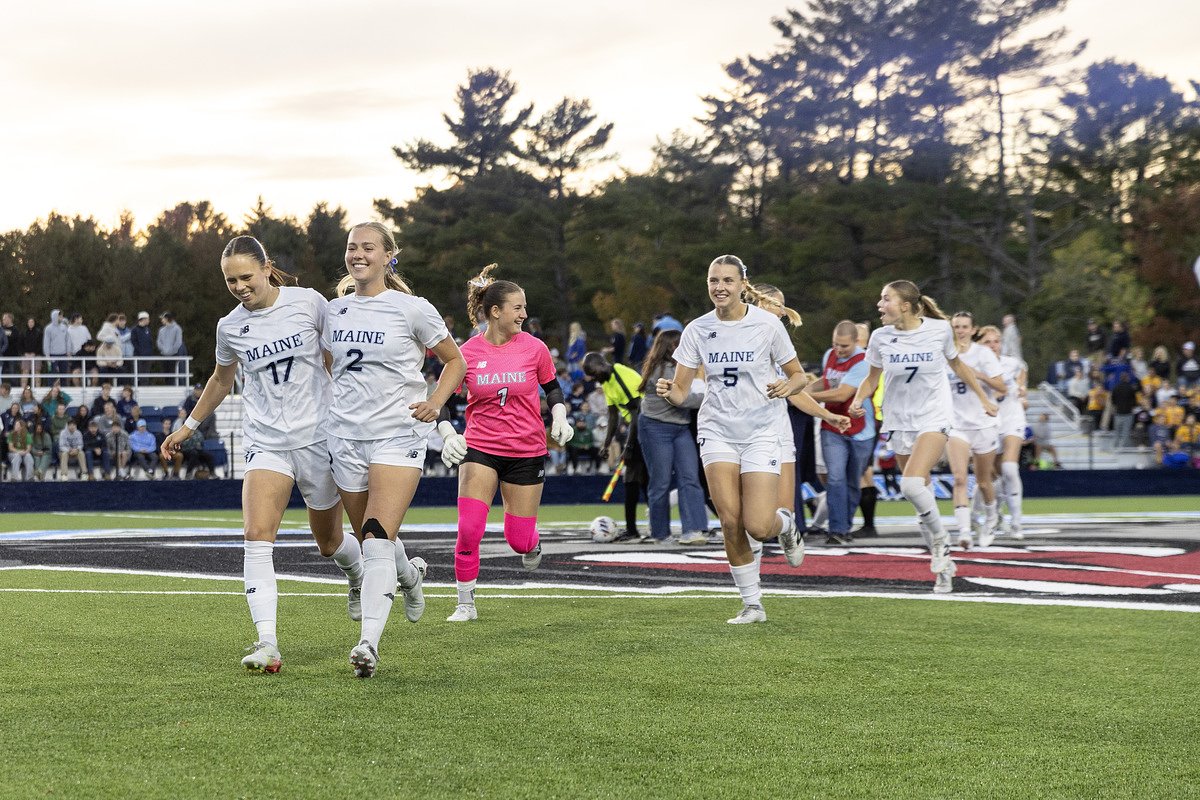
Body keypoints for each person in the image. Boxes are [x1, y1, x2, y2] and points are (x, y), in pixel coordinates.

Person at [161, 234, 365, 675]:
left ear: (267, 267)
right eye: (230, 280)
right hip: (267, 442)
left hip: (319, 439)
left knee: (329, 544)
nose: (238, 286)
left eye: (245, 276)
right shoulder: (230, 326)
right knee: (256, 537)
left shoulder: (308, 303)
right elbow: (220, 379)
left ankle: (357, 575)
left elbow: (339, 358)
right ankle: (268, 643)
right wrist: (189, 426)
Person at [656, 255, 848, 624]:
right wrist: (669, 391)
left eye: (727, 280)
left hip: (762, 431)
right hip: (717, 431)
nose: (719, 288)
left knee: (758, 525)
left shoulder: (767, 325)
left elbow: (798, 377)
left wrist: (785, 385)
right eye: (713, 280)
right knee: (730, 520)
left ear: (743, 284)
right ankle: (752, 603)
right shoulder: (697, 329)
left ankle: (786, 525)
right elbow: (682, 391)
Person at [323, 222, 465, 678]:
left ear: (388, 256)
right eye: (351, 247)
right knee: (370, 539)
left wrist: (435, 403)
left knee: (376, 538)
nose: (357, 254)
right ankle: (411, 577)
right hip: (344, 436)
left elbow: (455, 360)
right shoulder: (333, 311)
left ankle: (368, 643)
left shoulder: (412, 309)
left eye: (368, 248)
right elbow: (329, 369)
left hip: (397, 434)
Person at [436, 264, 574, 622]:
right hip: (480, 448)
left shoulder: (535, 348)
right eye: (518, 308)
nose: (524, 314)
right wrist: (448, 433)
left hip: (527, 450)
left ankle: (532, 540)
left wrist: (559, 415)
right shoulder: (464, 353)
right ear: (495, 312)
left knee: (519, 540)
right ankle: (465, 603)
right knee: (469, 529)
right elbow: (439, 399)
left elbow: (552, 388)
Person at [849, 281, 996, 594]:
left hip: (934, 416)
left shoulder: (939, 330)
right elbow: (872, 377)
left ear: (904, 304)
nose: (879, 304)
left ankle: (942, 542)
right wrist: (857, 400)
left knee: (911, 484)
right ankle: (943, 568)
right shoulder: (880, 336)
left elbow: (958, 366)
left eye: (885, 298)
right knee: (920, 498)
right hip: (899, 421)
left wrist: (983, 398)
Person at [804, 321, 877, 545]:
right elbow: (827, 382)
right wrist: (804, 389)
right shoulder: (829, 355)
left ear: (856, 342)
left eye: (844, 346)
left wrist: (806, 398)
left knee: (853, 481)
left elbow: (841, 394)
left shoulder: (863, 361)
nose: (838, 350)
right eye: (835, 344)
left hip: (860, 429)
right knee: (835, 478)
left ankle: (844, 525)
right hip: (832, 426)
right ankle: (836, 528)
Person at [637, 328, 708, 545]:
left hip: (680, 427)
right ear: (672, 347)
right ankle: (660, 532)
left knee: (690, 477)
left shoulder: (680, 368)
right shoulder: (662, 371)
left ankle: (694, 529)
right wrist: (714, 393)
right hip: (656, 427)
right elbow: (682, 399)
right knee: (661, 481)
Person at [945, 312, 1006, 549]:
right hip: (957, 425)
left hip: (983, 423)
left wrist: (978, 374)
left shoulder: (983, 354)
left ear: (973, 329)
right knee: (960, 478)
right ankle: (964, 531)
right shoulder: (945, 353)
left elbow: (1002, 386)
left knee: (983, 481)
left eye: (964, 326)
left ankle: (991, 518)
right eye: (956, 326)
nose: (960, 330)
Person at [583, 351, 649, 541]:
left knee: (633, 480)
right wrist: (606, 443)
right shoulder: (607, 382)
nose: (595, 378)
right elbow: (613, 414)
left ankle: (634, 529)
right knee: (641, 481)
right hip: (636, 429)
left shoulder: (621, 375)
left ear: (602, 364)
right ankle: (642, 526)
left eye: (595, 373)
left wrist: (629, 446)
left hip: (646, 426)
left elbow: (638, 410)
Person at [979, 325, 1027, 539]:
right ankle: (997, 514)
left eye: (996, 341)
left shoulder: (1012, 364)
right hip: (988, 422)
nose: (993, 346)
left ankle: (1017, 521)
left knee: (1009, 467)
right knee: (992, 475)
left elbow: (1021, 377)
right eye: (988, 342)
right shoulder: (975, 366)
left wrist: (1023, 392)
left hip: (1012, 419)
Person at [156, 312, 186, 385]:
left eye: (163, 318)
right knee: (166, 373)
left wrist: (172, 351)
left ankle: (173, 385)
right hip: (164, 355)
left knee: (173, 372)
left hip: (173, 354)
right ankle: (167, 385)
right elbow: (159, 342)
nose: (162, 320)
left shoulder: (177, 328)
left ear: (166, 319)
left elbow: (178, 342)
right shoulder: (161, 330)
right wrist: (163, 350)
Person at [42, 311, 70, 383]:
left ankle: (64, 390)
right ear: (55, 317)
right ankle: (50, 390)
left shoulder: (64, 327)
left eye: (62, 316)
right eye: (60, 316)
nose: (61, 318)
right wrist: (47, 355)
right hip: (53, 355)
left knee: (64, 375)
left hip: (63, 355)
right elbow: (46, 342)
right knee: (52, 374)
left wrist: (68, 351)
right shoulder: (48, 328)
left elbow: (67, 340)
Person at [131, 311, 154, 382]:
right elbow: (134, 342)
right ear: (143, 319)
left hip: (148, 356)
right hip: (138, 356)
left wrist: (150, 352)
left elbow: (150, 342)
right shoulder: (135, 330)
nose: (149, 321)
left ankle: (145, 389)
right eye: (147, 319)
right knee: (138, 374)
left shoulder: (148, 329)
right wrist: (141, 352)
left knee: (146, 375)